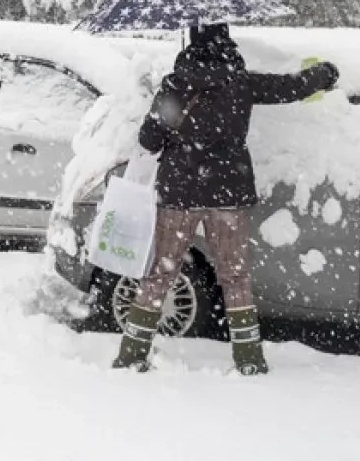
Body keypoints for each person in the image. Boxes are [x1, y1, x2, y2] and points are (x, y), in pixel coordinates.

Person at [113, 22, 339, 375]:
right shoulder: (240, 82)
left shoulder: (177, 86)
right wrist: (323, 75)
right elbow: (290, 87)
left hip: (180, 195)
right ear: (226, 41)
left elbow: (148, 140)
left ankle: (132, 354)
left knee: (160, 273)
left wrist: (176, 126)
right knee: (234, 276)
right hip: (228, 194)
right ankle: (249, 359)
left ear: (191, 43)